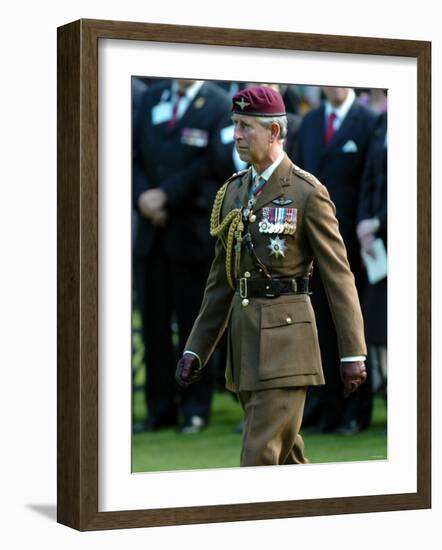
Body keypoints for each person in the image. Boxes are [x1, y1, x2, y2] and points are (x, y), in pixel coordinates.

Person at [175, 85, 367, 466]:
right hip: (245, 349)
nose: (237, 135)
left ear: (274, 132)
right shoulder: (233, 191)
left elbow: (338, 276)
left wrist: (353, 352)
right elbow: (221, 282)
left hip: (287, 348)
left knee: (258, 458)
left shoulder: (306, 192)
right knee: (285, 461)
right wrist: (196, 347)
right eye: (235, 124)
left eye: (246, 126)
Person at [133, 78, 233, 434]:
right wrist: (143, 196)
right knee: (155, 327)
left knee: (194, 326)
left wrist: (166, 196)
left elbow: (213, 165)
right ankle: (159, 409)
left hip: (191, 232)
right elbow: (132, 155)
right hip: (151, 232)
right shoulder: (150, 98)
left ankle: (194, 407)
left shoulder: (219, 103)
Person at [295, 86, 377, 434]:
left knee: (352, 327)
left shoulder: (369, 122)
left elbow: (370, 183)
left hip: (351, 247)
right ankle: (328, 410)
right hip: (311, 246)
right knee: (320, 329)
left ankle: (356, 411)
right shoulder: (311, 122)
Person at [357, 110, 388, 399]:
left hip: (402, 237)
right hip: (377, 246)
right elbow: (368, 178)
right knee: (378, 328)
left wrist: (379, 220)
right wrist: (364, 223)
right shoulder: (382, 122)